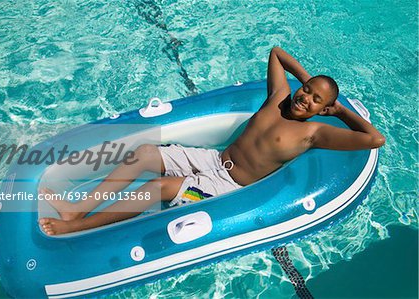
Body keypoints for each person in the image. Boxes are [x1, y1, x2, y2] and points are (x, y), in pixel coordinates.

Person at [39, 47, 385, 235]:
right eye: (306, 91)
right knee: (146, 153)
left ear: (322, 110)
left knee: (162, 186)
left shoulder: (314, 133)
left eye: (313, 100)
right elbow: (277, 53)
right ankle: (79, 207)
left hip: (226, 188)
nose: (304, 98)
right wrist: (312, 81)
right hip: (214, 160)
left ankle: (79, 226)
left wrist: (338, 110)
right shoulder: (279, 96)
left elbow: (374, 138)